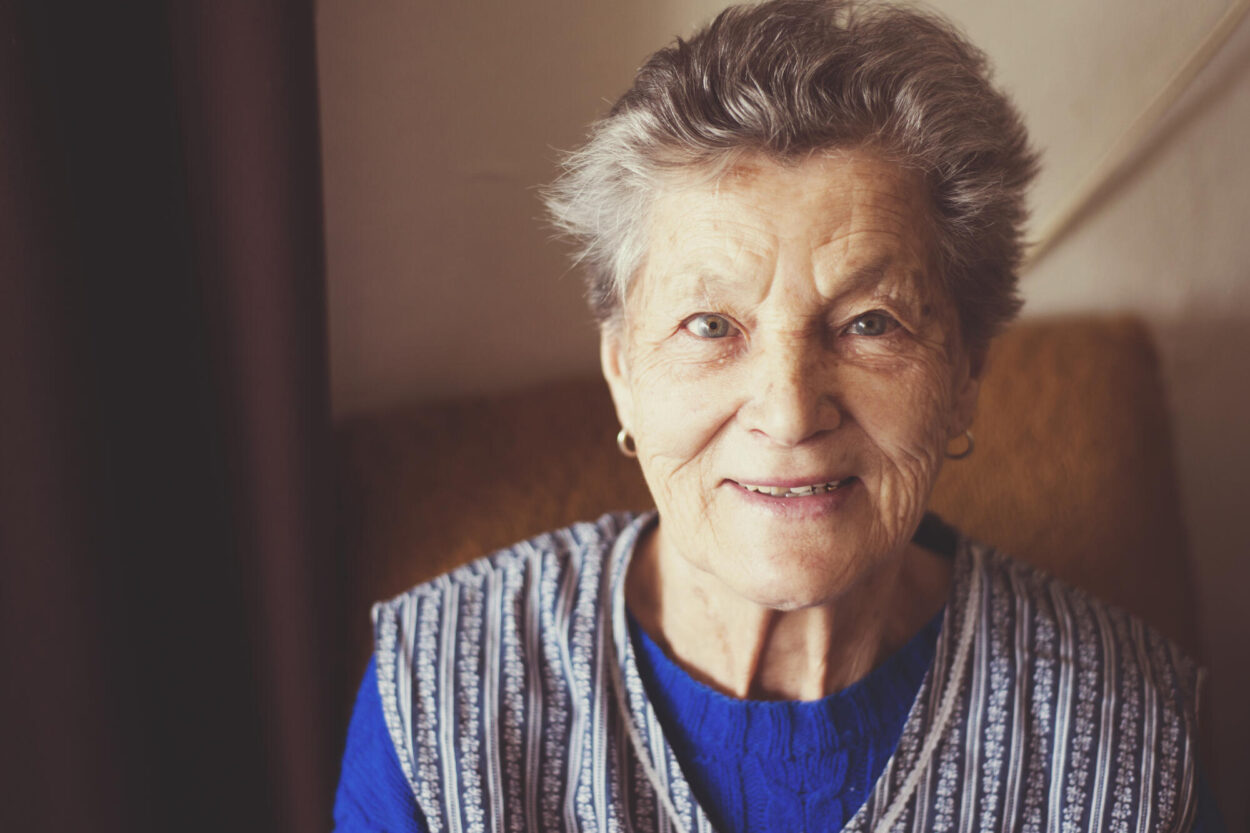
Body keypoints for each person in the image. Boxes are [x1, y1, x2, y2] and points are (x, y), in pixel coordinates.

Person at [334, 1, 1217, 830]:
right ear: (622, 370)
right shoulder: (440, 694)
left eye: (870, 323)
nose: (790, 411)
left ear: (964, 371)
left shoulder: (1127, 739)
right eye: (711, 325)